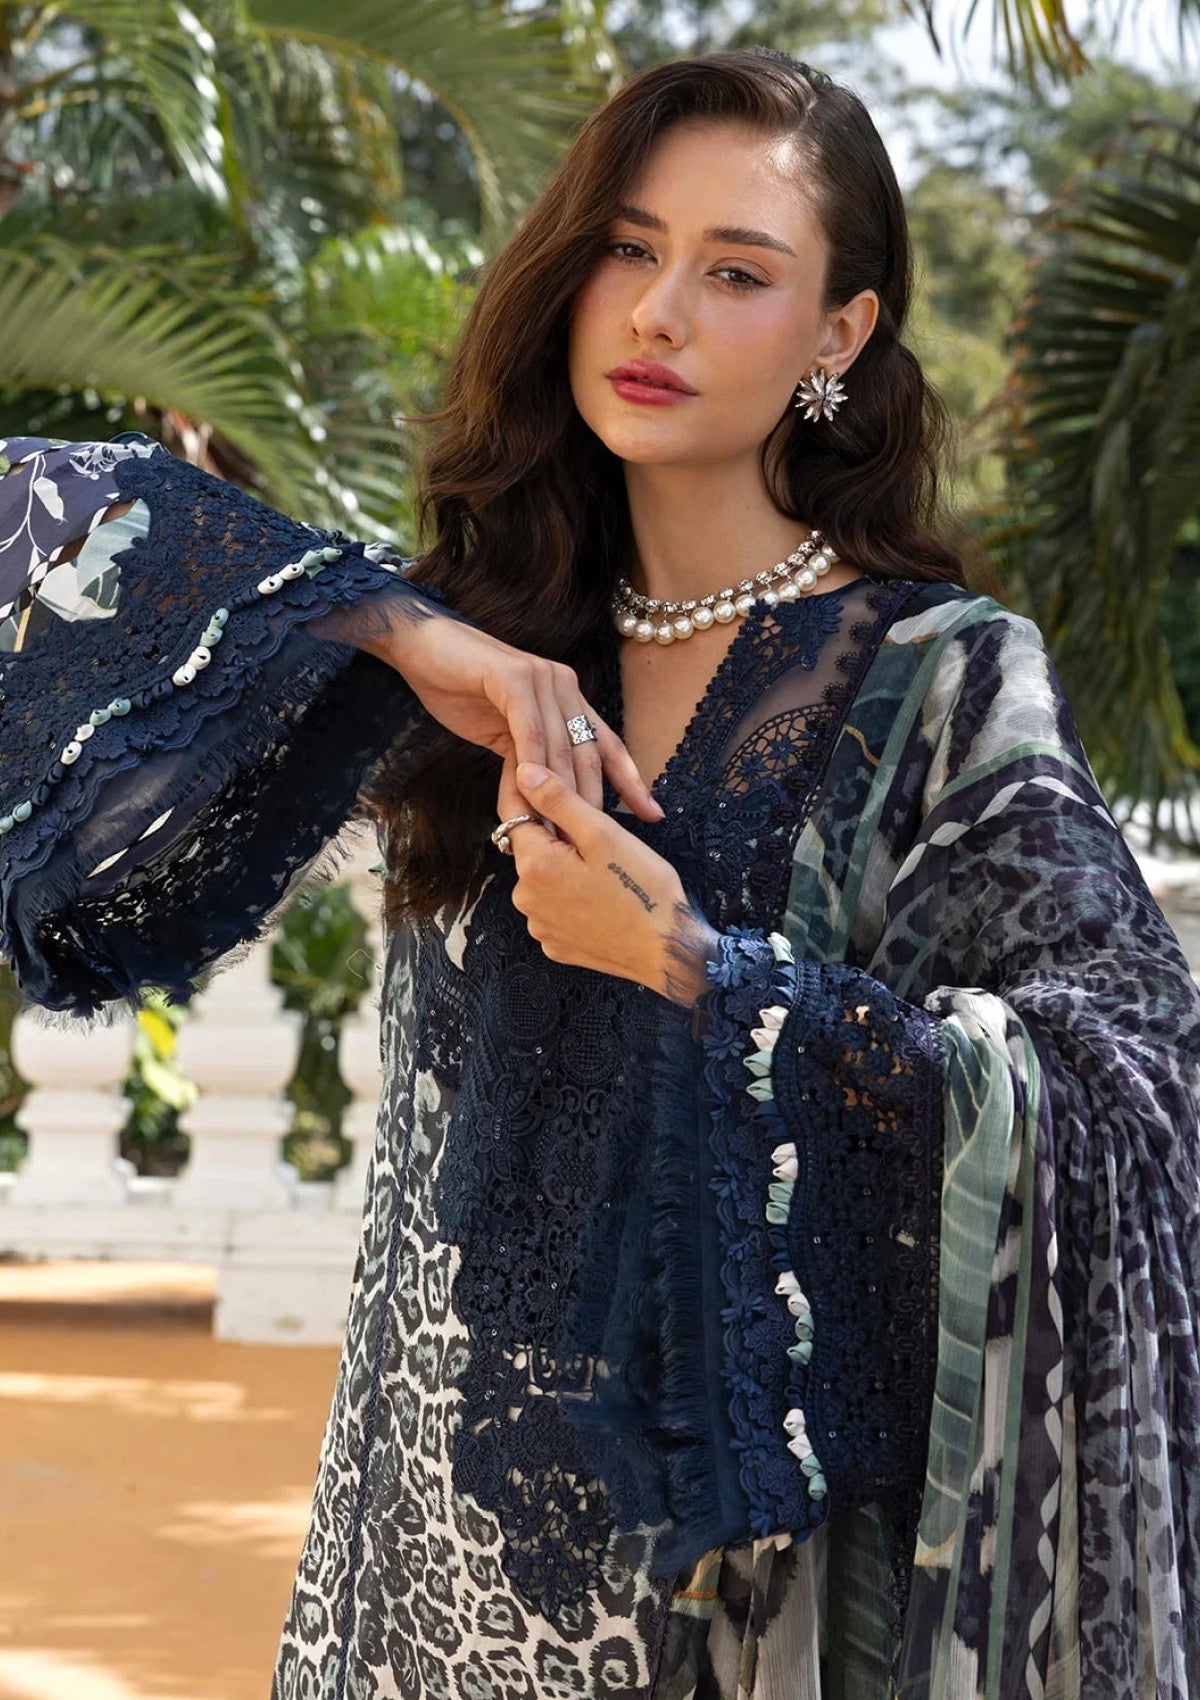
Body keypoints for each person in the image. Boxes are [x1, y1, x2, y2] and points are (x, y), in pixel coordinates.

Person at [0, 45, 1197, 1700]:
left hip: (737, 1611)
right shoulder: (470, 647)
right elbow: (33, 519)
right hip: (408, 1577)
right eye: (629, 248)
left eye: (737, 273)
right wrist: (394, 628)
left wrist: (698, 969)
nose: (657, 312)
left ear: (840, 334)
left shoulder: (938, 682)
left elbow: (1136, 1087)